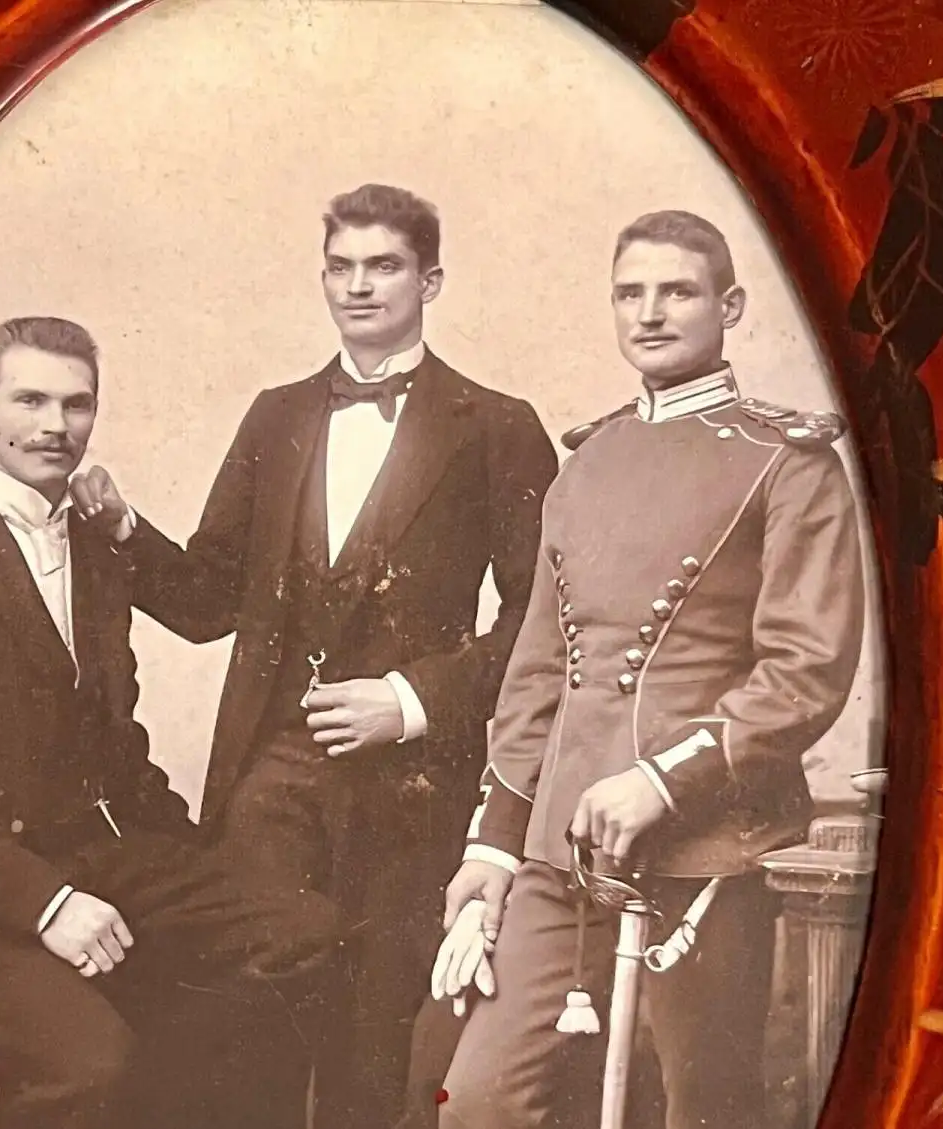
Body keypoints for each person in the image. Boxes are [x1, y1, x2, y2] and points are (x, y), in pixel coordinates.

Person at [72, 184, 559, 1129]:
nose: (359, 286)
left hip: (416, 785)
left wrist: (410, 699)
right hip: (275, 780)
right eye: (342, 267)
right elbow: (210, 600)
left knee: (372, 1040)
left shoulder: (497, 425)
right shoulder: (278, 415)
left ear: (430, 281)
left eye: (384, 266)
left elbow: (541, 621)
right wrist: (126, 532)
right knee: (247, 1032)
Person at [0, 317, 337, 1129]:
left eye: (76, 404)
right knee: (91, 1061)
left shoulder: (96, 545)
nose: (54, 425)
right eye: (29, 400)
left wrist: (193, 860)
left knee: (302, 929)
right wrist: (48, 903)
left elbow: (117, 737)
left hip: (84, 853)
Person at [412, 210, 867, 1129]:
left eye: (678, 291)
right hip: (562, 848)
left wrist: (660, 780)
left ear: (729, 306)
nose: (650, 312)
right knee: (478, 1102)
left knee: (703, 1111)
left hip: (709, 841)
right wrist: (494, 845)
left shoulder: (789, 462)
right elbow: (538, 675)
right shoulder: (588, 464)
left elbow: (805, 670)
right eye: (631, 293)